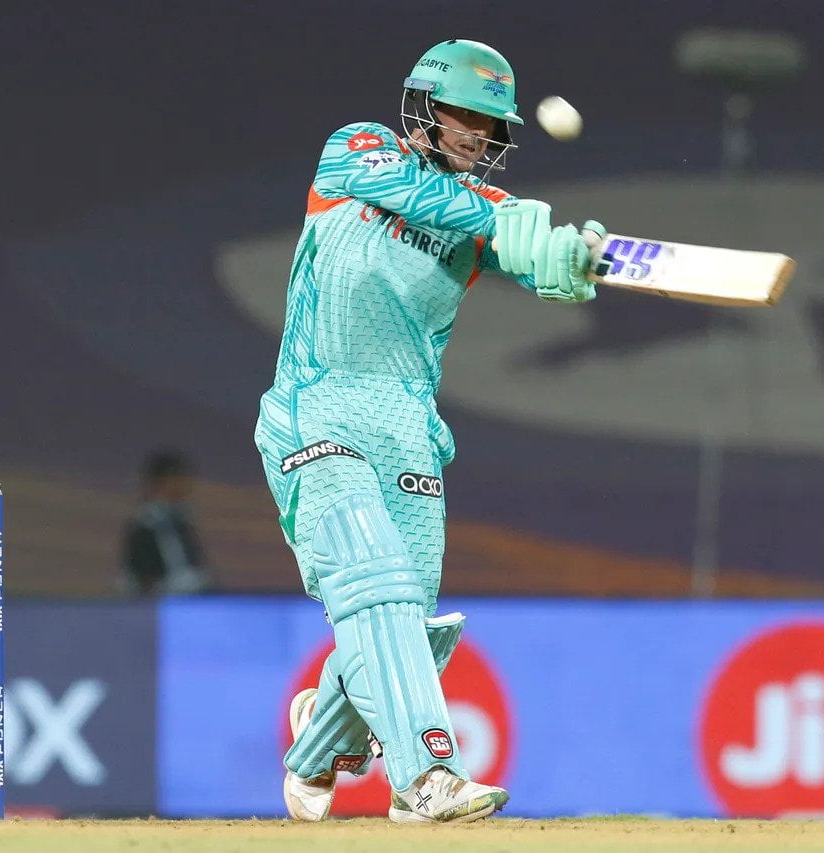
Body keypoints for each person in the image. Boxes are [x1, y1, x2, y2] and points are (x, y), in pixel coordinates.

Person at [252, 39, 599, 823]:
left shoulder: (490, 213)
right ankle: (429, 776)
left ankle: (317, 744)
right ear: (424, 107)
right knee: (374, 584)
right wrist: (507, 220)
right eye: (464, 115)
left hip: (408, 427)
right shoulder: (356, 151)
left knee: (407, 617)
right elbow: (428, 199)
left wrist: (565, 260)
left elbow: (533, 260)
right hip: (319, 403)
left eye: (490, 123)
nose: (478, 133)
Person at [121, 449, 212, 596]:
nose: (184, 485)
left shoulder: (182, 524)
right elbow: (141, 582)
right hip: (161, 605)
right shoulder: (144, 528)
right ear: (161, 482)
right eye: (178, 479)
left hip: (189, 602)